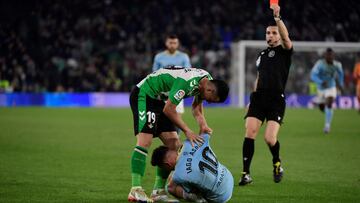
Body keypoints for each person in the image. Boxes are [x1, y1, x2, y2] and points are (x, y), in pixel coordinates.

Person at [128, 66, 229, 202]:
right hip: (145, 94)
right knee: (145, 141)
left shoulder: (206, 80)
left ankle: (158, 191)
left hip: (160, 101)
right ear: (210, 89)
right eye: (212, 99)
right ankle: (135, 189)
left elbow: (196, 108)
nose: (210, 102)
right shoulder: (187, 82)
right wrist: (188, 131)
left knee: (174, 145)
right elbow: (169, 109)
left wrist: (203, 124)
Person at [238, 5, 293, 186]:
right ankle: (245, 173)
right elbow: (259, 77)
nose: (270, 35)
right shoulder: (261, 55)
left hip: (276, 99)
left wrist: (278, 19)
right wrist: (251, 98)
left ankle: (277, 162)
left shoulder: (285, 51)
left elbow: (286, 38)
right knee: (250, 133)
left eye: (274, 33)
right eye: (268, 33)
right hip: (259, 98)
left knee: (269, 138)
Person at [151, 133, 234, 203]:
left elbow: (193, 189)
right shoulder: (189, 142)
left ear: (167, 164)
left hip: (221, 197)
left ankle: (199, 200)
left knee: (170, 187)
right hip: (229, 177)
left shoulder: (178, 176)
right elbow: (206, 132)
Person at [152, 34, 191, 131]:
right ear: (166, 43)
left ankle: (175, 141)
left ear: (178, 44)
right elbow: (154, 74)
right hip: (163, 92)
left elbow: (188, 72)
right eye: (170, 42)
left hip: (177, 91)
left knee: (177, 119)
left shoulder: (183, 57)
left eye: (174, 43)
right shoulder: (159, 57)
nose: (172, 45)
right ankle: (169, 142)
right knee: (163, 119)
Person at [310, 48, 344, 133]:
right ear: (325, 56)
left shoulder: (337, 65)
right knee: (322, 107)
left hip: (331, 87)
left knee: (329, 103)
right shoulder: (320, 64)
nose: (329, 57)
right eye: (328, 55)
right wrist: (320, 81)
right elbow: (313, 75)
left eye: (331, 55)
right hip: (321, 88)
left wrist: (341, 84)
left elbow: (340, 74)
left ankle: (327, 126)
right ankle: (328, 112)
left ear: (333, 56)